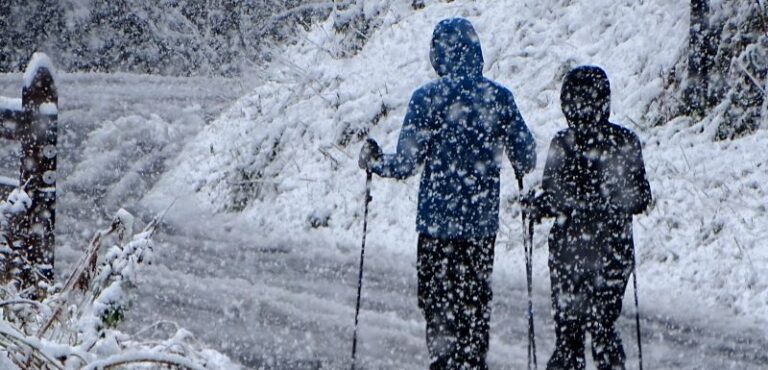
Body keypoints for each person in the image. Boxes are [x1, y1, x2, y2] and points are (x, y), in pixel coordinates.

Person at [358, 17, 536, 370]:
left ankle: (444, 361)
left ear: (438, 54)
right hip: (480, 228)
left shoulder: (427, 98)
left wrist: (375, 162)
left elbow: (406, 163)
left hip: (436, 227)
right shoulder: (497, 97)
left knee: (439, 304)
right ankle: (472, 362)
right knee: (474, 303)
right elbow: (527, 157)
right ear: (475, 51)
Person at [524, 65, 652, 370]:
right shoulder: (625, 142)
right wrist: (611, 203)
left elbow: (553, 198)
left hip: (570, 253)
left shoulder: (563, 143)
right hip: (614, 251)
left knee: (569, 334)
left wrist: (539, 207)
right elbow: (641, 197)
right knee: (604, 327)